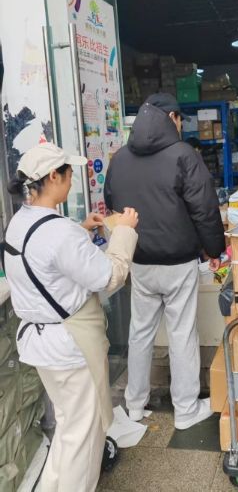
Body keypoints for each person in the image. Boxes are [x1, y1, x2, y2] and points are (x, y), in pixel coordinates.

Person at [1, 143, 139, 492]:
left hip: (40, 344)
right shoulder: (60, 232)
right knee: (85, 437)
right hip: (70, 346)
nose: (72, 179)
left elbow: (47, 254)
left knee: (68, 426)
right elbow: (109, 276)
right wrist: (125, 230)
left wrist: (82, 229)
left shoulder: (20, 222)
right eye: (68, 173)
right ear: (53, 177)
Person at [104, 92, 225, 428]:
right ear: (172, 118)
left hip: (139, 261)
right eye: (180, 119)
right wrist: (214, 250)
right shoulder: (183, 155)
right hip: (177, 263)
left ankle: (135, 405)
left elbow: (111, 199)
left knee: (140, 332)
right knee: (182, 333)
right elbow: (204, 208)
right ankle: (185, 410)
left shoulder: (120, 158)